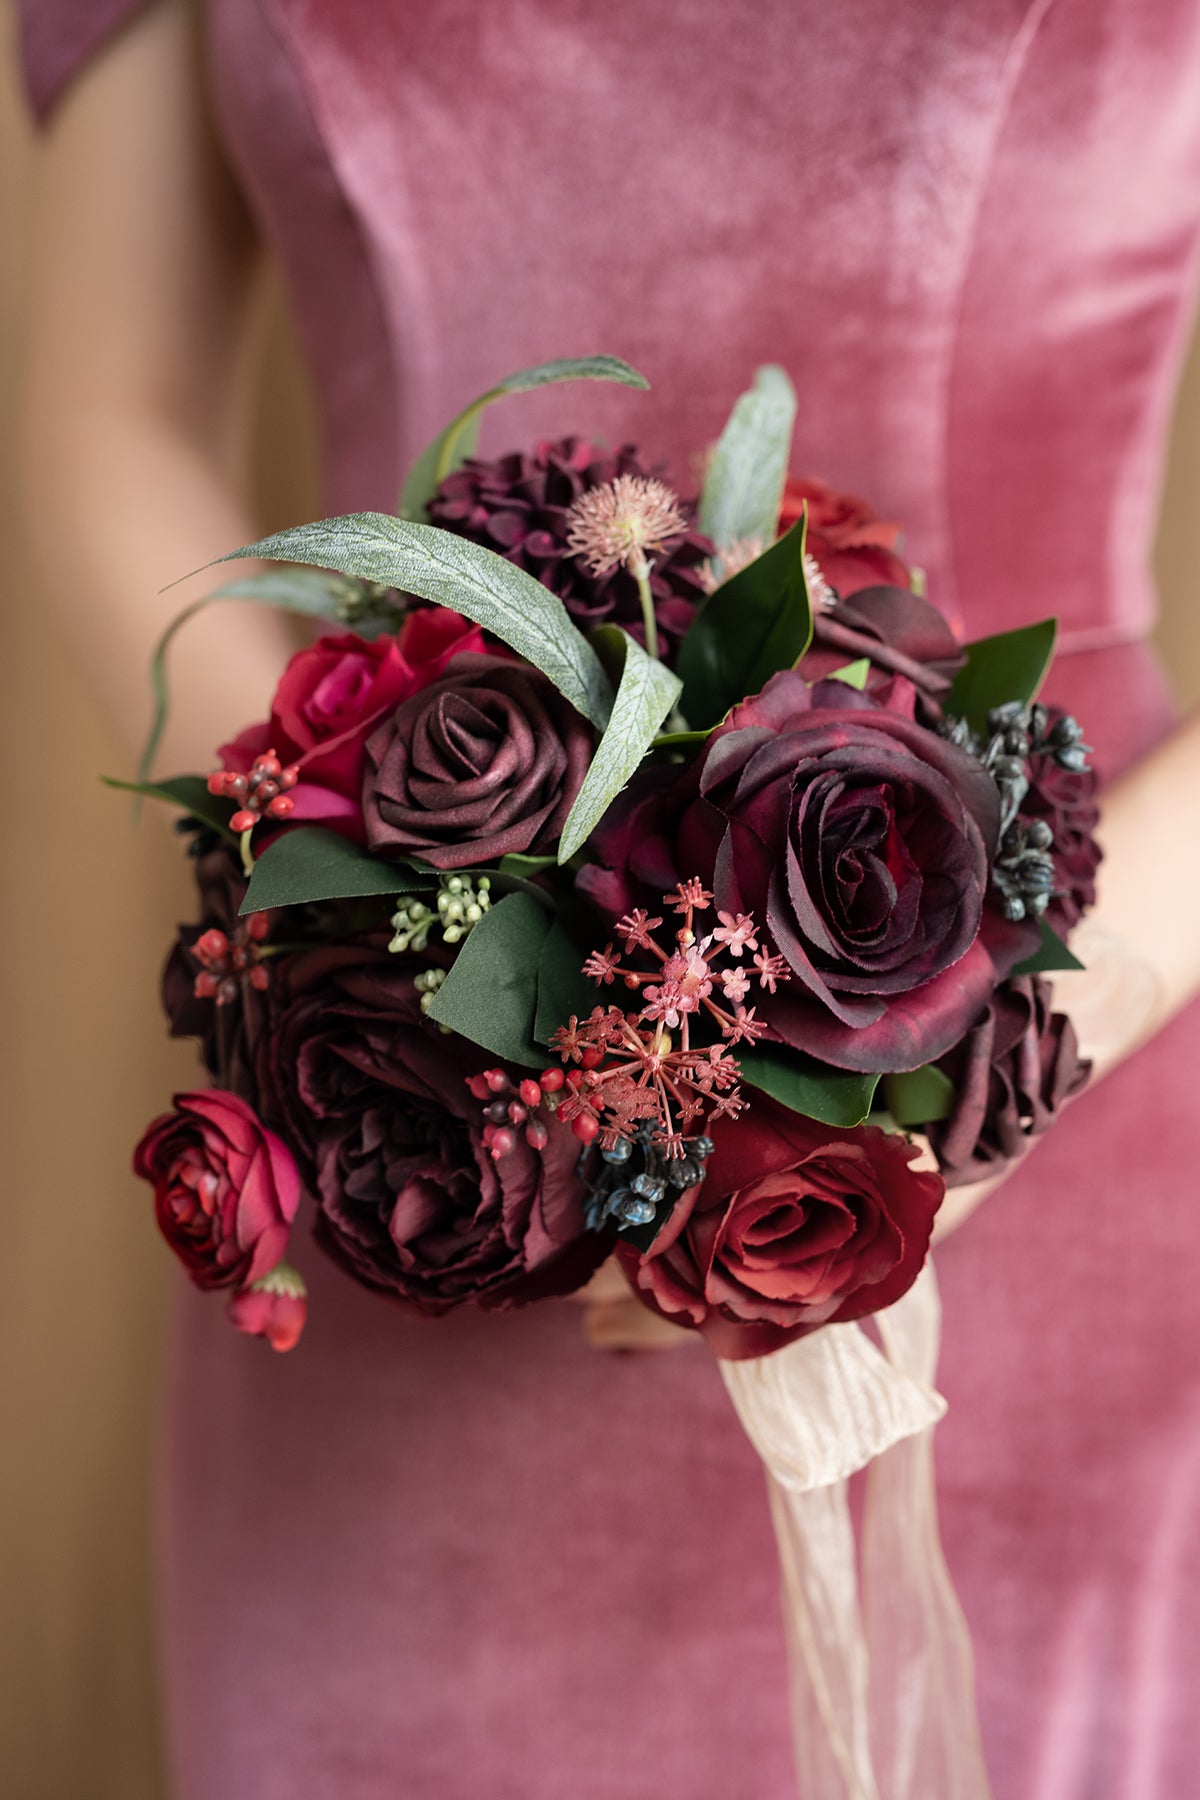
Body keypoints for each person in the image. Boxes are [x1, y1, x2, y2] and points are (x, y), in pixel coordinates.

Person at [16, 0, 1200, 1794]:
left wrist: (1023, 1038)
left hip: (1075, 1031)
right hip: (416, 1153)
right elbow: (110, 420)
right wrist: (373, 896)